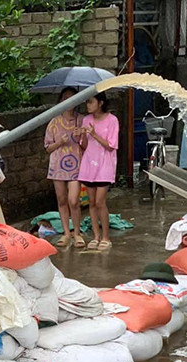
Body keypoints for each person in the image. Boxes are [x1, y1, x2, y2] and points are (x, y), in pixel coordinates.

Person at [44, 88, 85, 249]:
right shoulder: (54, 122)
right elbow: (48, 148)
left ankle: (77, 233)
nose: (69, 101)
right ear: (60, 100)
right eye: (65, 98)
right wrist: (59, 142)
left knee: (73, 200)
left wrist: (81, 135)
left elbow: (86, 145)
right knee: (61, 200)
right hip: (57, 166)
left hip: (76, 165)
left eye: (72, 98)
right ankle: (66, 233)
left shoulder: (81, 120)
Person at [77, 91, 119, 251]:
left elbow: (111, 146)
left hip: (104, 165)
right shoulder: (86, 120)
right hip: (89, 165)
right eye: (87, 102)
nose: (88, 105)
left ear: (100, 103)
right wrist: (83, 135)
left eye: (90, 102)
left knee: (100, 202)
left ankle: (106, 237)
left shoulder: (112, 120)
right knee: (92, 202)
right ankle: (96, 236)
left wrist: (94, 134)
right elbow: (84, 146)